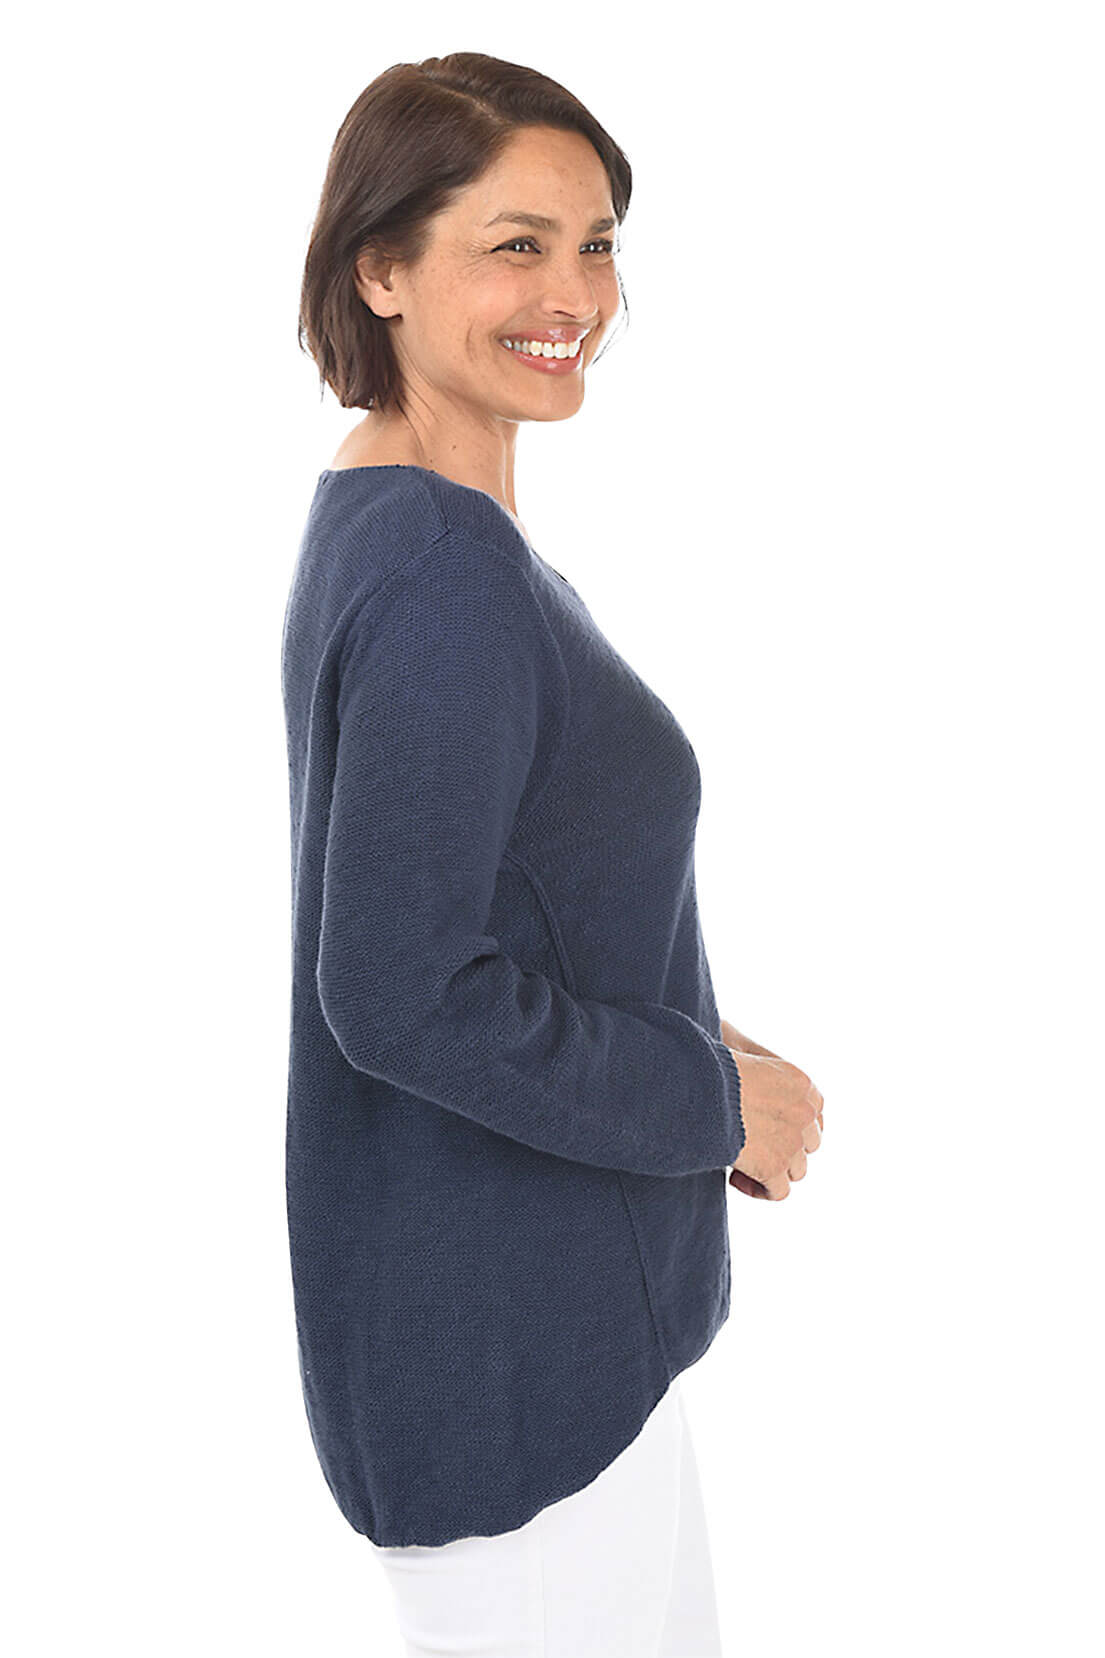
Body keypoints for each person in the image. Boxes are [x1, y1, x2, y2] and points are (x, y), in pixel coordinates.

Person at [284, 50, 823, 1657]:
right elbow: (397, 989)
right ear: (380, 268)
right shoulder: (444, 578)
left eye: (594, 243)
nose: (572, 290)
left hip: (564, 1336)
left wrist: (700, 1045)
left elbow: (502, 895)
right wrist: (708, 1098)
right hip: (509, 1367)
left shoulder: (417, 530)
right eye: (513, 244)